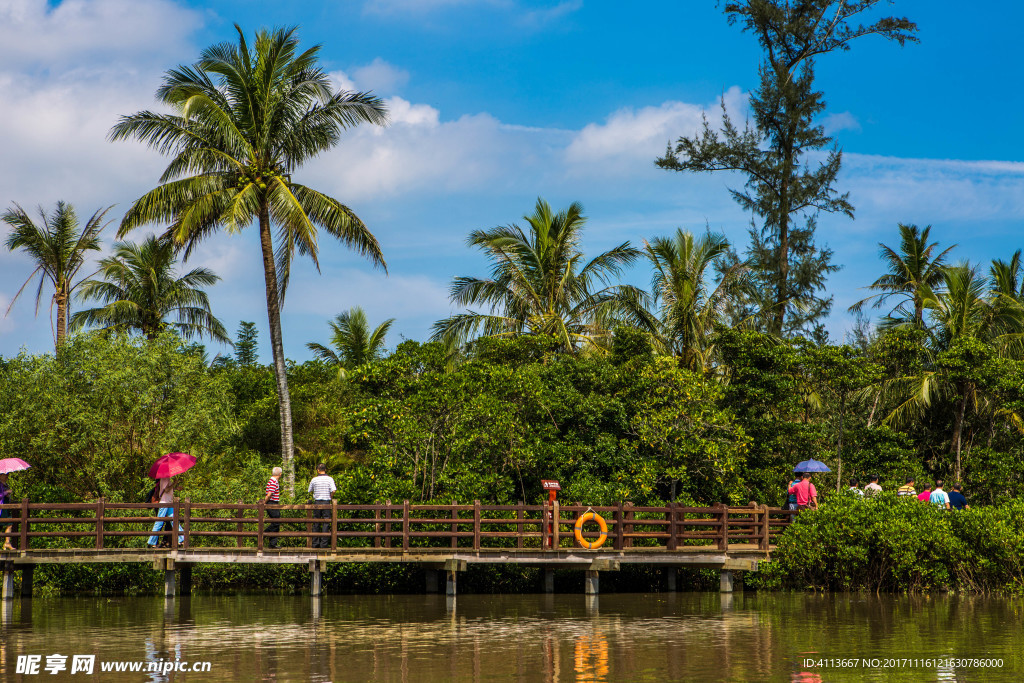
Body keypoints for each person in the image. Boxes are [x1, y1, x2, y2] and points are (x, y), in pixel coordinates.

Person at [148, 476, 184, 547]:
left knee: (174, 520)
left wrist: (176, 488)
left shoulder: (167, 479)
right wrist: (174, 483)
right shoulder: (164, 479)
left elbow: (168, 490)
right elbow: (166, 490)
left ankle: (182, 539)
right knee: (159, 522)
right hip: (164, 503)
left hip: (169, 502)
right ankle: (151, 542)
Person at [308, 463, 336, 549]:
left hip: (317, 502)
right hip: (326, 502)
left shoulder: (314, 479)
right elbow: (334, 490)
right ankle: (324, 544)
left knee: (316, 522)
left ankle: (315, 543)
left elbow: (309, 490)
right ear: (325, 469)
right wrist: (331, 496)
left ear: (318, 470)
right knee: (326, 522)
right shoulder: (330, 479)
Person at [263, 466, 283, 549]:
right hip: (272, 503)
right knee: (276, 522)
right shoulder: (274, 482)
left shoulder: (272, 481)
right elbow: (269, 494)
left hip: (273, 503)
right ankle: (263, 534)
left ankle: (272, 543)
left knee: (275, 522)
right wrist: (264, 502)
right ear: (280, 474)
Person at [0, 472, 16, 551]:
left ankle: (7, 542)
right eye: (5, 474)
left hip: (6, 507)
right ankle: (6, 543)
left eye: (7, 474)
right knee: (6, 524)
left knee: (9, 524)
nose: (7, 476)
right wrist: (6, 492)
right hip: (1, 507)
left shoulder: (5, 485)